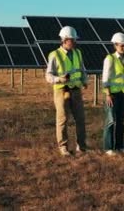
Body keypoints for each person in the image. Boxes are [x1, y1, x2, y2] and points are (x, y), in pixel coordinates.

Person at [45, 26, 89, 157]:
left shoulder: (77, 53)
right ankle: (63, 147)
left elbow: (82, 69)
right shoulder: (54, 55)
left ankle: (81, 147)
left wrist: (84, 80)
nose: (74, 42)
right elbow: (48, 76)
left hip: (76, 91)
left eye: (74, 40)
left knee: (80, 119)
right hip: (62, 91)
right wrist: (59, 79)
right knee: (62, 119)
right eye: (72, 40)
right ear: (64, 40)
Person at [101, 32, 124, 156]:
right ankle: (108, 147)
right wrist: (108, 94)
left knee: (120, 121)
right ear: (115, 45)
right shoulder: (110, 59)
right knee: (110, 121)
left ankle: (119, 146)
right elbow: (106, 78)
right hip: (112, 94)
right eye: (122, 46)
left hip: (123, 94)